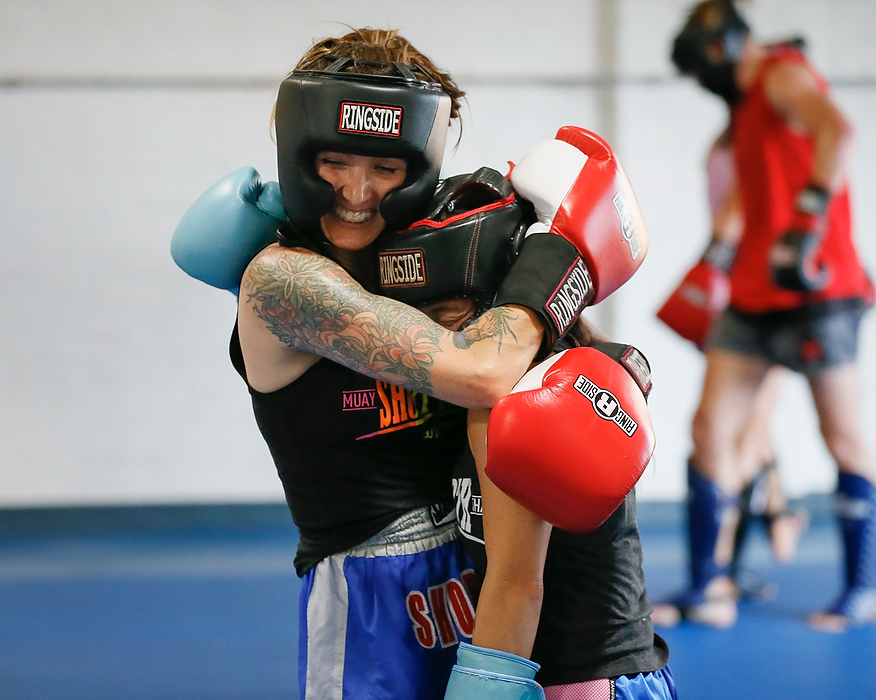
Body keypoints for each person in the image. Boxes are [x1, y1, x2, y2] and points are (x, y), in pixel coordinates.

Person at [171, 28, 647, 698]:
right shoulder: (283, 282)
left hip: (483, 570)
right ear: (297, 154)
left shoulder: (442, 250)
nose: (357, 192)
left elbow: (553, 389)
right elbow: (483, 370)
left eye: (385, 169)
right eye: (334, 162)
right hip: (373, 588)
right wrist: (561, 255)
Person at [374, 165, 675, 698]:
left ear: (500, 305)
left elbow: (517, 588)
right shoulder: (528, 378)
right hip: (582, 672)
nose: (428, 338)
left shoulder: (514, 400)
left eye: (444, 315)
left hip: (587, 682)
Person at [654, 0, 876, 633]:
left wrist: (809, 220)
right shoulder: (746, 111)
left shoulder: (782, 73)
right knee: (710, 431)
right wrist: (715, 259)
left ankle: (863, 589)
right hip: (753, 297)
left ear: (719, 48)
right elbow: (742, 191)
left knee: (841, 437)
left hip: (819, 293)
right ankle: (709, 586)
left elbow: (837, 130)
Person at [655, 122, 809, 619]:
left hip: (761, 297)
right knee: (739, 431)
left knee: (734, 434)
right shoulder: (740, 134)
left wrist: (709, 267)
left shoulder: (766, 141)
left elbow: (738, 214)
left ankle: (719, 578)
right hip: (744, 296)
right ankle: (768, 522)